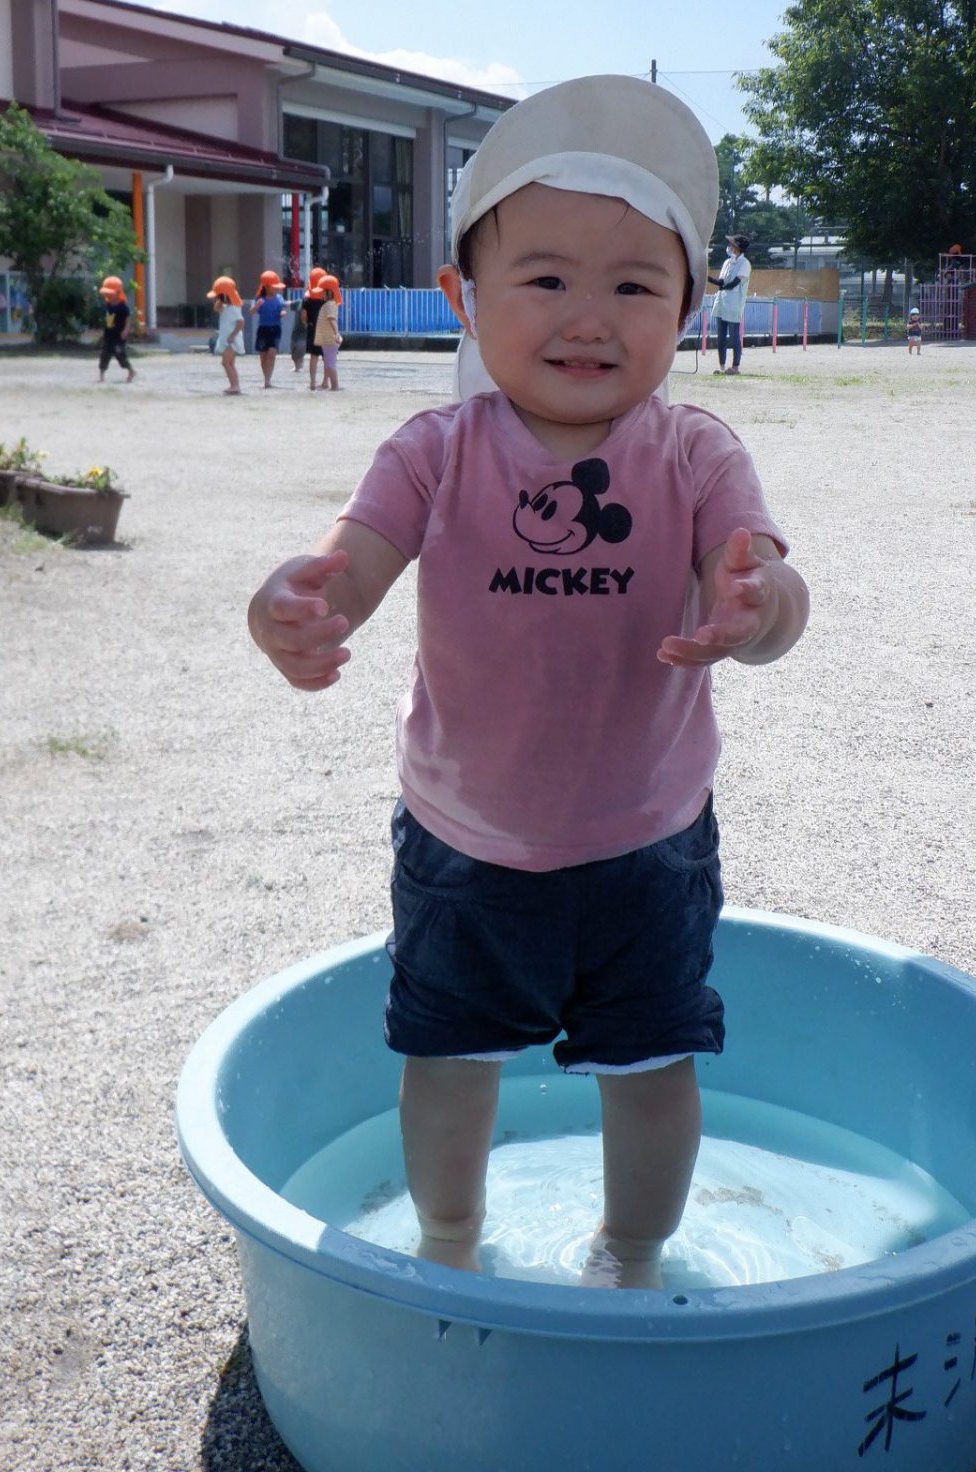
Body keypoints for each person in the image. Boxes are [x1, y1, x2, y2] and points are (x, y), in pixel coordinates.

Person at [247, 75, 810, 1290]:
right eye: (546, 279)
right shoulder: (434, 453)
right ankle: (449, 1242)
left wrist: (759, 607)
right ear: (464, 296)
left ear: (688, 307)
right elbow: (347, 569)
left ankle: (634, 1255)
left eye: (635, 287)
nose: (589, 317)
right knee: (447, 1058)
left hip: (648, 843)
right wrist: (290, 611)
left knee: (653, 1067)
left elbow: (765, 591)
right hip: (466, 842)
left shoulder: (696, 452)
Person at [707, 233, 751, 373]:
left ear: (737, 247)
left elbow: (734, 283)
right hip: (722, 301)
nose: (729, 246)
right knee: (721, 336)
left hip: (734, 304)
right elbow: (721, 281)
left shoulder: (745, 264)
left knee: (733, 336)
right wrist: (706, 277)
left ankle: (735, 367)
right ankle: (721, 366)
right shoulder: (727, 263)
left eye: (732, 244)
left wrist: (722, 287)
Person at [209, 276, 245, 394]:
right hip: (226, 339)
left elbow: (241, 322)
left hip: (231, 341)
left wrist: (233, 335)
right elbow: (216, 308)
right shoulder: (226, 307)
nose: (218, 298)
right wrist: (221, 299)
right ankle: (234, 385)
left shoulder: (234, 308)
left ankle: (235, 385)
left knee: (225, 362)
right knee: (230, 363)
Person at [251, 270, 287, 389]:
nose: (276, 288)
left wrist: (282, 312)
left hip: (275, 329)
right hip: (263, 329)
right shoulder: (259, 298)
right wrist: (256, 306)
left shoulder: (279, 298)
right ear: (266, 286)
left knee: (271, 354)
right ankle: (266, 378)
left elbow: (282, 308)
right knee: (263, 356)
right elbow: (251, 312)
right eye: (274, 286)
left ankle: (268, 380)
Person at [96, 276, 136, 383]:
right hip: (109, 335)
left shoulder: (123, 307)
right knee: (104, 355)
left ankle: (131, 371)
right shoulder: (108, 305)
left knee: (120, 354)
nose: (108, 296)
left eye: (110, 293)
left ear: (118, 293)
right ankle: (101, 375)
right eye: (106, 294)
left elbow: (128, 319)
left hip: (119, 336)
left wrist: (126, 330)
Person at [300, 267, 330, 392]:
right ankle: (325, 382)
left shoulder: (307, 299)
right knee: (327, 357)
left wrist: (307, 324)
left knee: (314, 356)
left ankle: (312, 382)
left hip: (313, 329)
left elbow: (303, 316)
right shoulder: (327, 297)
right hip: (326, 329)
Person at [314, 274, 343, 391]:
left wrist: (336, 333)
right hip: (327, 340)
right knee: (328, 363)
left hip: (330, 339)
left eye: (323, 292)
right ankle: (328, 384)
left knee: (330, 364)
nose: (321, 294)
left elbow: (332, 319)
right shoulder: (329, 304)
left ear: (329, 292)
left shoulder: (330, 305)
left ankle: (335, 386)